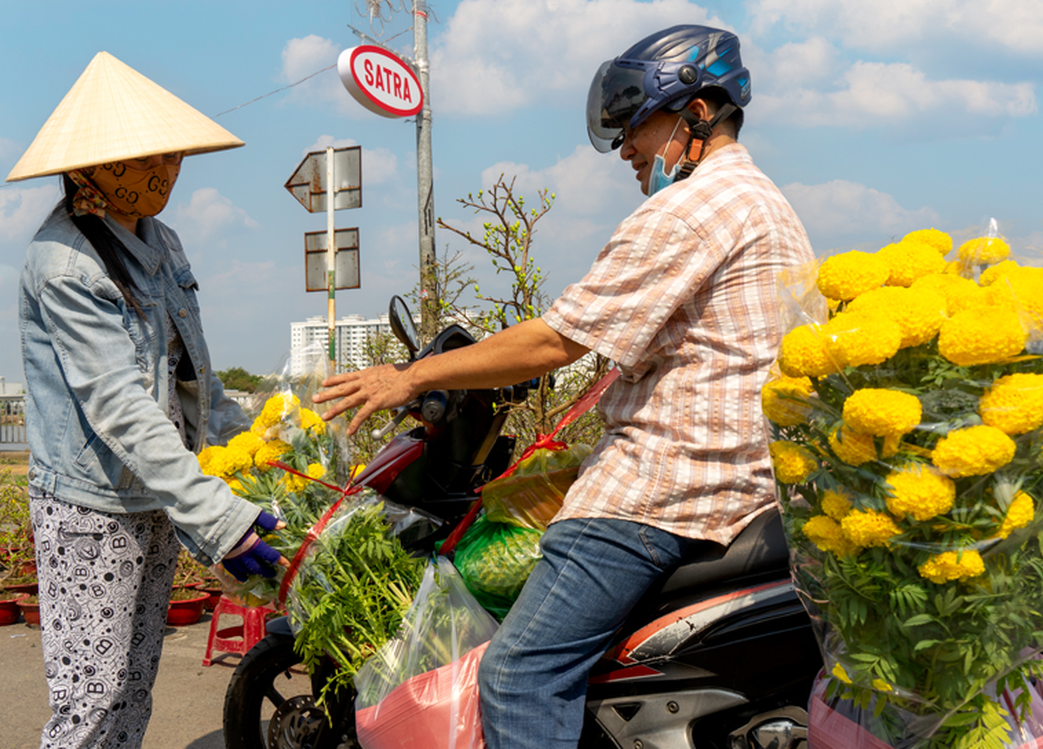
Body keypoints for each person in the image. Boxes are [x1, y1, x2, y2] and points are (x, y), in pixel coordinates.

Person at [315, 24, 814, 748]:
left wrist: (410, 376)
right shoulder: (767, 203)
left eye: (636, 128)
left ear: (696, 117)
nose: (626, 151)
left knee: (520, 674)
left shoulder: (692, 208)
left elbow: (555, 339)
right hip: (740, 478)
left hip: (661, 492)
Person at [7, 51, 286, 748]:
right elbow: (120, 407)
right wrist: (220, 516)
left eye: (171, 156)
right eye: (141, 159)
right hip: (91, 508)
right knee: (91, 700)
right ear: (90, 167)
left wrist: (256, 460)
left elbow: (194, 378)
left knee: (133, 688)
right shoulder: (64, 261)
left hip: (158, 496)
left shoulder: (162, 243)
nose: (162, 172)